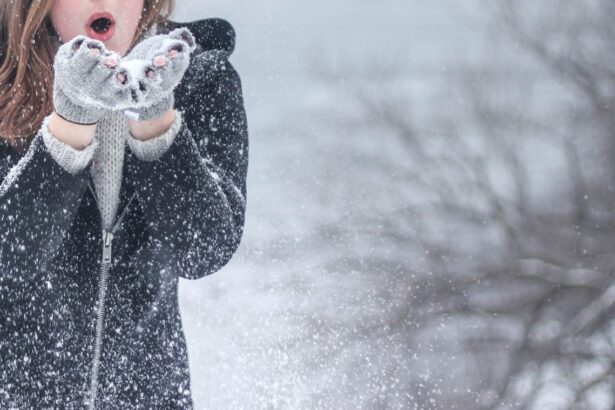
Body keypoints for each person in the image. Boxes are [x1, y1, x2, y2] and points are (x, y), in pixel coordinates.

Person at [0, 0, 249, 408]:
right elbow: (9, 258)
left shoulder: (201, 78)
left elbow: (204, 248)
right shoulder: (4, 79)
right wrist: (71, 124)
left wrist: (156, 124)